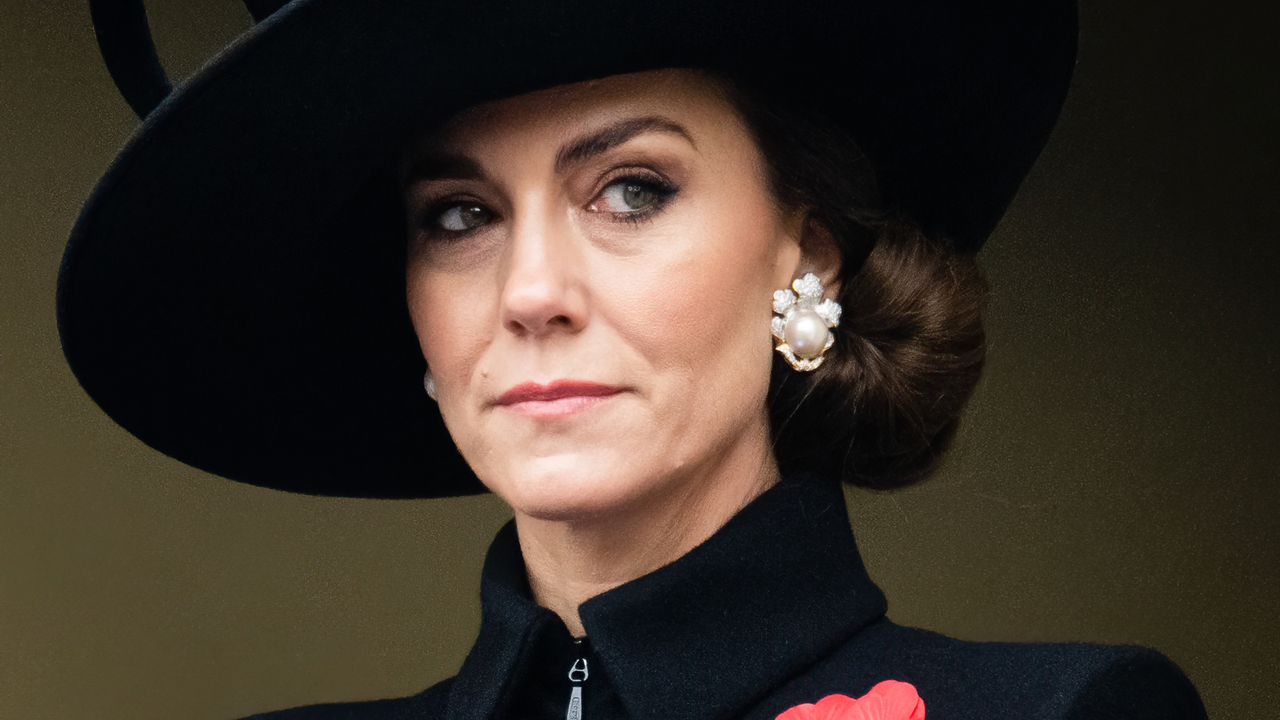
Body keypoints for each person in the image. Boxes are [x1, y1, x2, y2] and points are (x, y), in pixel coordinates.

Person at [58, 1, 1208, 718]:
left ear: (798, 249)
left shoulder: (1061, 713)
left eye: (630, 190)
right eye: (459, 216)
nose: (531, 295)